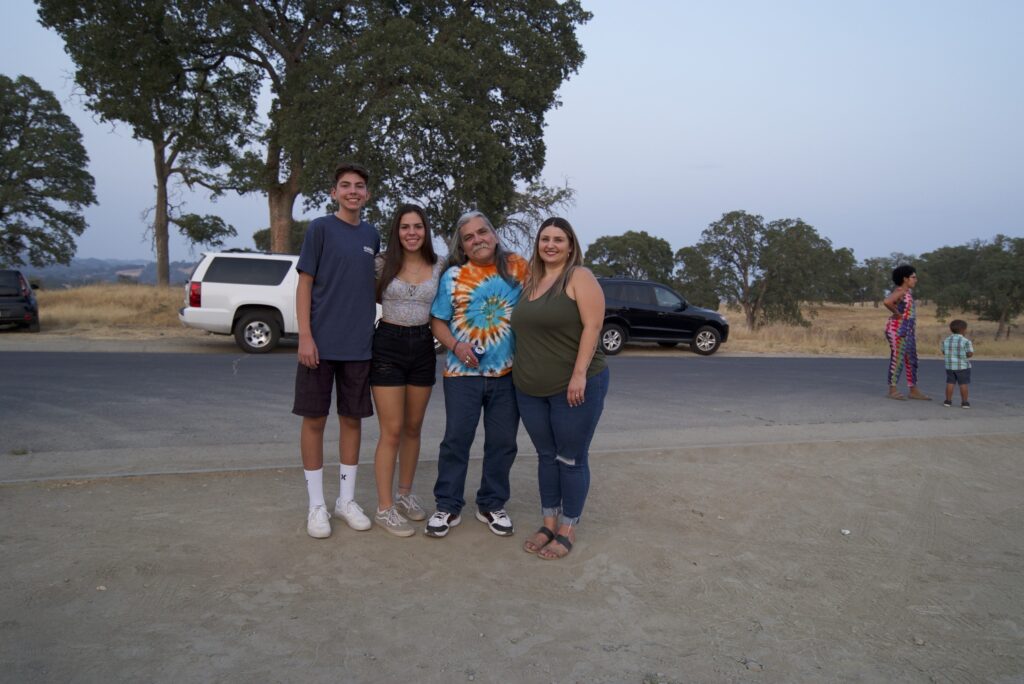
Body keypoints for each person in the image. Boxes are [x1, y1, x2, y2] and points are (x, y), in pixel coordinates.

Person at [423, 211, 529, 538]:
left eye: (482, 232)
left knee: (502, 442)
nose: (477, 240)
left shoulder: (518, 267)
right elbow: (437, 320)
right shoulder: (453, 276)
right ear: (463, 247)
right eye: (469, 237)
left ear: (494, 235)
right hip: (461, 375)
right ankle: (448, 505)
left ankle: (491, 504)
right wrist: (456, 345)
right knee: (456, 441)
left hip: (508, 374)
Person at [510, 217, 609, 560]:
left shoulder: (579, 277)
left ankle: (568, 527)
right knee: (546, 456)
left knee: (570, 457)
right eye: (545, 239)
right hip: (529, 389)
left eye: (558, 239)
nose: (550, 245)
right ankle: (549, 522)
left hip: (574, 387)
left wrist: (579, 375)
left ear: (570, 246)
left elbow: (593, 326)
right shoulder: (530, 281)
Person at [293, 163, 380, 539]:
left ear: (367, 194)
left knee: (352, 421)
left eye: (359, 186)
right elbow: (305, 284)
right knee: (314, 420)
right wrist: (305, 336)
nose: (353, 191)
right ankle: (317, 505)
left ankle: (346, 501)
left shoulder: (372, 235)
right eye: (345, 185)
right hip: (319, 345)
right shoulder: (320, 228)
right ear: (334, 192)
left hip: (358, 346)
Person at [369, 204, 443, 537]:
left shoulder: (440, 264)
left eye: (417, 226)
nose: (411, 233)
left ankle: (404, 495)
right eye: (404, 227)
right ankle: (384, 508)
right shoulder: (381, 263)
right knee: (393, 430)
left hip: (424, 345)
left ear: (425, 230)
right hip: (388, 343)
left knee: (413, 427)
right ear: (396, 232)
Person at [883, 264, 930, 400]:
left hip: (907, 330)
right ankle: (892, 389)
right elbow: (887, 301)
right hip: (897, 329)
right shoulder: (901, 291)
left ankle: (913, 390)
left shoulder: (907, 292)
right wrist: (897, 313)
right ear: (905, 279)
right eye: (913, 277)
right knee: (898, 359)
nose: (916, 280)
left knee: (911, 359)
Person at [941, 319, 974, 409]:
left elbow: (944, 352)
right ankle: (964, 402)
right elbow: (970, 354)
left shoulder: (946, 340)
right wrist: (965, 354)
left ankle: (948, 401)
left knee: (950, 383)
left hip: (950, 366)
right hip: (962, 366)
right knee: (963, 384)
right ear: (963, 329)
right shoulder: (966, 341)